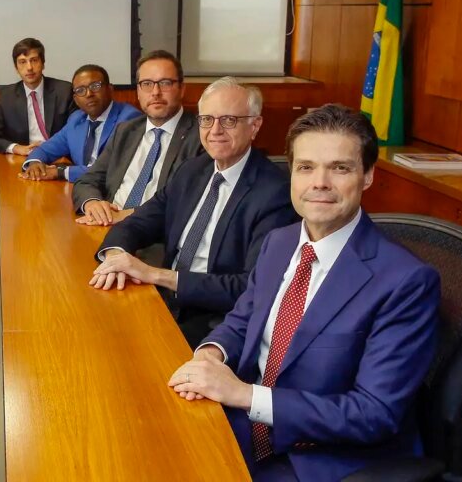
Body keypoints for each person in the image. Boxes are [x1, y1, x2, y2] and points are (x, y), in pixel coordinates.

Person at [168, 104, 439, 481]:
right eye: (306, 167)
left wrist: (246, 396)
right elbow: (243, 319)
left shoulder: (406, 282)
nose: (320, 182)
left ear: (368, 177)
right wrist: (212, 355)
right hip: (244, 425)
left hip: (322, 458)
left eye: (340, 168)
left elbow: (373, 413)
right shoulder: (279, 243)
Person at [91, 78, 299, 346]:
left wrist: (156, 275)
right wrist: (116, 257)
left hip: (217, 322)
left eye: (229, 120)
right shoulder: (193, 170)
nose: (215, 131)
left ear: (254, 126)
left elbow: (250, 287)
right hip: (163, 300)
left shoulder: (275, 193)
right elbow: (139, 222)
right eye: (206, 120)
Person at [72, 50, 202, 226]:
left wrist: (127, 216)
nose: (155, 92)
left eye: (165, 83)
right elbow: (88, 179)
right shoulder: (126, 131)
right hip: (105, 226)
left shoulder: (202, 136)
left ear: (181, 89)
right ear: (138, 92)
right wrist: (93, 203)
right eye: (147, 84)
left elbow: (185, 204)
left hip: (152, 237)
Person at [19, 64, 141, 182]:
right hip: (83, 188)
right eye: (80, 90)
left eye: (95, 86)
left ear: (110, 89)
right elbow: (45, 149)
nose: (89, 94)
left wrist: (61, 172)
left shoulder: (129, 119)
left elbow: (112, 169)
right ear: (76, 99)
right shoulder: (76, 120)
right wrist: (36, 163)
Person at [0, 37, 77, 155]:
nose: (29, 68)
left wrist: (50, 148)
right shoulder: (7, 96)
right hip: (23, 158)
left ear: (43, 64)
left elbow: (76, 132)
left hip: (57, 156)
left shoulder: (64, 91)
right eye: (22, 62)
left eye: (34, 60)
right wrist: (16, 148)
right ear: (16, 68)